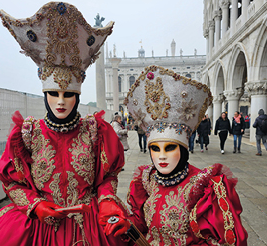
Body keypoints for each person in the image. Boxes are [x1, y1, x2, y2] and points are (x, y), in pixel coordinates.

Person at [0, 2, 126, 246]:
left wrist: (107, 200)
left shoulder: (95, 131)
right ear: (45, 95)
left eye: (68, 94)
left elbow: (108, 177)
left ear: (77, 96)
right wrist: (35, 205)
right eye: (54, 93)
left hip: (90, 226)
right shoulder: (28, 134)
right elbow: (12, 181)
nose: (61, 101)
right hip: (43, 228)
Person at [100, 66, 248, 245]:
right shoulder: (147, 181)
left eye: (169, 148)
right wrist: (128, 226)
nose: (161, 156)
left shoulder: (204, 187)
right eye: (155, 149)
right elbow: (142, 224)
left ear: (183, 149)